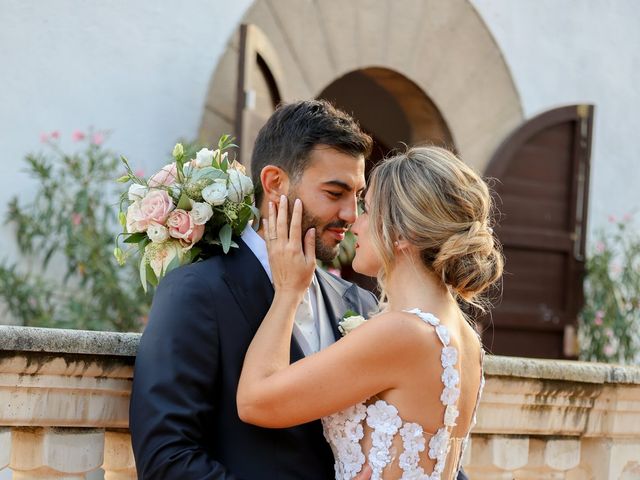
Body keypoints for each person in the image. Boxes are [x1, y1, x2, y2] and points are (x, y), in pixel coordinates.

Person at [129, 100, 378, 479]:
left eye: (357, 196)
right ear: (275, 184)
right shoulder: (197, 292)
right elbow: (167, 457)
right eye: (334, 193)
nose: (351, 214)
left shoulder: (360, 301)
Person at [237, 146, 503, 479]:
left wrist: (289, 291)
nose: (355, 223)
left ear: (404, 233)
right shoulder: (465, 338)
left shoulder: (403, 333)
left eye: (368, 209)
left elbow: (255, 402)